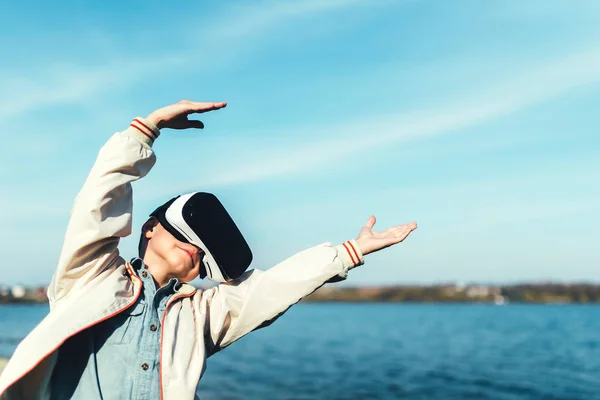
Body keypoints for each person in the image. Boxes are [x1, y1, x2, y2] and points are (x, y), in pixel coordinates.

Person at [0, 100, 417, 400]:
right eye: (184, 234)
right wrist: (146, 129)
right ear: (149, 229)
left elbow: (271, 288)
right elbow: (97, 203)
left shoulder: (199, 313)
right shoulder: (90, 278)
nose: (195, 248)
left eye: (203, 249)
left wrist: (347, 253)